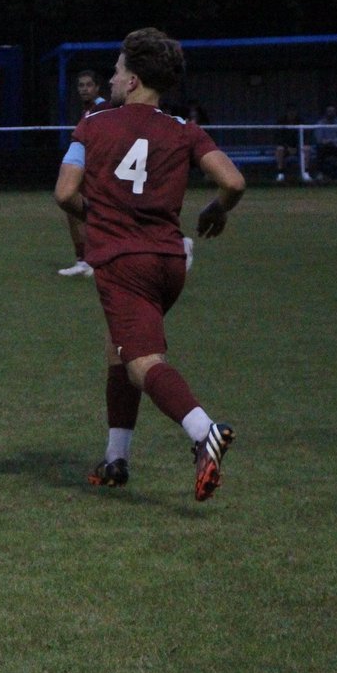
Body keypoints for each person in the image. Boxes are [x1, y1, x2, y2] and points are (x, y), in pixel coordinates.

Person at [54, 28, 246, 502]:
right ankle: (115, 459)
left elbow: (64, 193)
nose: (112, 79)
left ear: (133, 80)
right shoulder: (183, 129)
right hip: (170, 262)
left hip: (125, 262)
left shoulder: (93, 123)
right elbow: (233, 182)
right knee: (119, 348)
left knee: (142, 363)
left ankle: (204, 431)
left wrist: (100, 218)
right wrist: (216, 209)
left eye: (117, 70)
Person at [57, 70, 108, 277]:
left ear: (97, 87)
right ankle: (84, 260)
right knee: (73, 211)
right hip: (86, 169)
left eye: (88, 85)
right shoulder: (88, 110)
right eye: (81, 85)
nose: (84, 89)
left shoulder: (102, 108)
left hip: (97, 171)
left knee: (87, 210)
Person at [274, 103, 312, 183]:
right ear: (287, 112)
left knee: (307, 149)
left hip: (298, 147)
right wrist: (287, 147)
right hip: (286, 148)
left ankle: (306, 172)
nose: (292, 113)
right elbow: (278, 137)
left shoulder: (301, 121)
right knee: (279, 149)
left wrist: (297, 147)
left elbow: (305, 137)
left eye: (293, 111)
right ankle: (280, 173)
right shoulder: (281, 121)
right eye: (290, 111)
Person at [314, 103, 337, 180]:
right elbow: (319, 138)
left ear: (335, 112)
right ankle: (320, 173)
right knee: (319, 150)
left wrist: (332, 141)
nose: (331, 113)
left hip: (336, 147)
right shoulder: (320, 123)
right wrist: (326, 142)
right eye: (329, 111)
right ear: (326, 112)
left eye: (332, 111)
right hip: (325, 147)